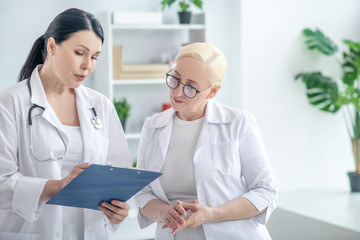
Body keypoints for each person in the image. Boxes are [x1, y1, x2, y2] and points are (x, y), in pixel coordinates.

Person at [0, 8, 131, 240]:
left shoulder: (100, 105)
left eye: (94, 57)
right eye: (80, 53)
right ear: (52, 46)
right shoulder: (10, 103)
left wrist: (118, 210)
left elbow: (119, 173)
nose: (87, 65)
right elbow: (2, 183)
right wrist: (58, 186)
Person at [134, 42, 278, 239]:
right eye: (175, 79)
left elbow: (265, 191)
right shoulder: (152, 127)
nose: (177, 93)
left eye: (191, 88)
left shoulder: (238, 123)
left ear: (213, 91)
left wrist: (214, 214)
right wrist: (163, 212)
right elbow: (143, 194)